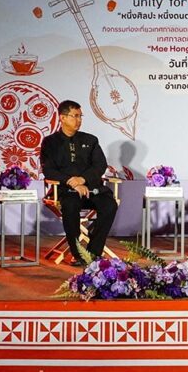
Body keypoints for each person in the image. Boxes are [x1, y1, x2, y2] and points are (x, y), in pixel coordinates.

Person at [40, 100, 116, 266]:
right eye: (75, 116)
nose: (79, 120)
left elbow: (100, 165)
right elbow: (49, 170)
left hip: (92, 189)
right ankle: (78, 253)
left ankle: (93, 252)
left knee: (109, 205)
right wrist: (72, 182)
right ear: (62, 118)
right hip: (66, 191)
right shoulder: (50, 142)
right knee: (71, 205)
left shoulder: (90, 140)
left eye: (80, 116)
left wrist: (82, 180)